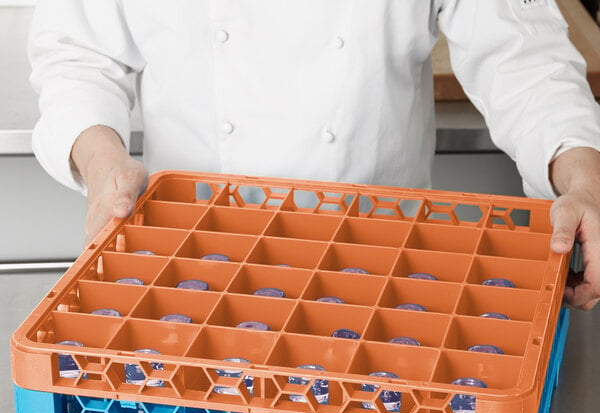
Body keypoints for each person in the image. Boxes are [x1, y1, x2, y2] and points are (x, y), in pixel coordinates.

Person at [28, 0, 600, 310]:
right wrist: (105, 165)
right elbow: (77, 53)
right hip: (193, 266)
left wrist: (584, 177)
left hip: (385, 274)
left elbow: (523, 58)